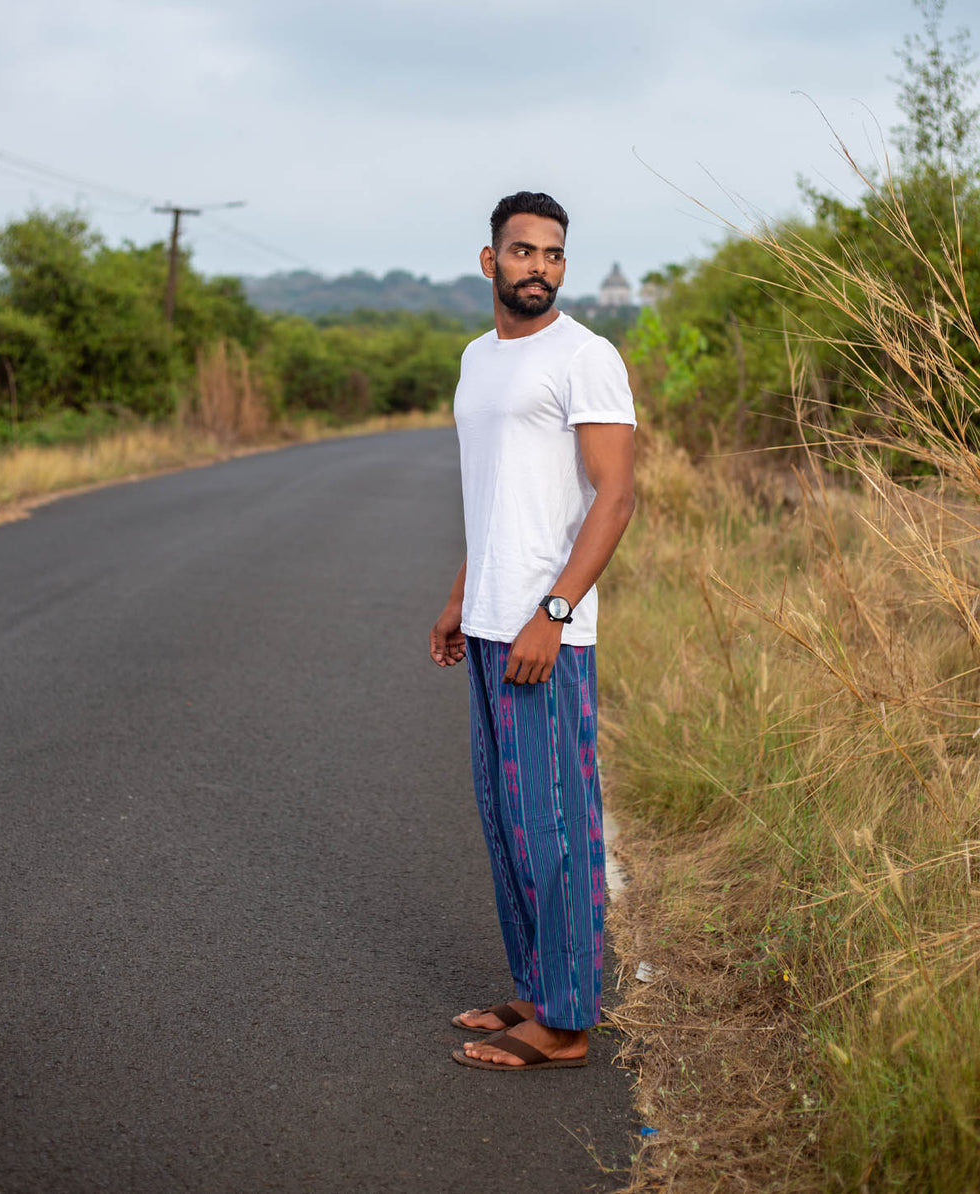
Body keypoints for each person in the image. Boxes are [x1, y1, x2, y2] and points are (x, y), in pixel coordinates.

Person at [429, 191, 636, 1070]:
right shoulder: (479, 359)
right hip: (488, 623)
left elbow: (615, 496)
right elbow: (497, 500)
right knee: (504, 814)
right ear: (490, 262)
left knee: (554, 822)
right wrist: (459, 598)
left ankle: (566, 1021)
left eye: (552, 254)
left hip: (545, 631)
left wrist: (553, 613)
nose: (539, 268)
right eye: (523, 253)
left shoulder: (585, 357)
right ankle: (533, 986)